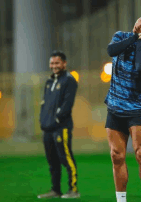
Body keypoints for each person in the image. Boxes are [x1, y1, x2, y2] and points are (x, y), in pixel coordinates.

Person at [105, 11, 141, 202]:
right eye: (140, 20)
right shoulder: (121, 36)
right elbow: (111, 51)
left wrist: (139, 42)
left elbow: (139, 70)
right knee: (116, 155)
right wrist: (136, 37)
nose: (138, 25)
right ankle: (121, 200)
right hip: (114, 106)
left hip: (137, 109)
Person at [38, 50, 80, 199]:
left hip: (61, 127)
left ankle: (73, 190)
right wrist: (43, 120)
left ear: (64, 63)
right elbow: (45, 104)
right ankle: (55, 190)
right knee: (52, 161)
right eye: (52, 63)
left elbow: (67, 105)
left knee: (66, 158)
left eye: (57, 63)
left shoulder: (69, 80)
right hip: (48, 128)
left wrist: (56, 119)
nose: (54, 66)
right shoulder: (49, 81)